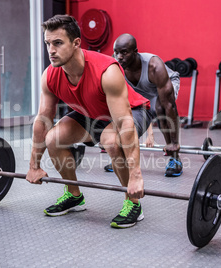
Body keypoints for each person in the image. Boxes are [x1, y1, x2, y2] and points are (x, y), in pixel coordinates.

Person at [26, 15, 153, 229]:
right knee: (53, 138)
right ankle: (74, 195)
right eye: (48, 43)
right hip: (91, 114)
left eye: (58, 43)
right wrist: (34, 166)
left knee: (111, 141)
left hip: (132, 112)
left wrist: (136, 175)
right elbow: (43, 120)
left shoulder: (106, 71)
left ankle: (133, 203)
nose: (51, 50)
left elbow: (124, 123)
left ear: (76, 43)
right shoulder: (50, 75)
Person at [104, 33, 182, 177]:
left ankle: (175, 158)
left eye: (124, 52)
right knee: (124, 116)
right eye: (116, 52)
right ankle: (122, 156)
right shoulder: (116, 65)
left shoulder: (154, 66)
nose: (119, 56)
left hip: (164, 86)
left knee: (160, 108)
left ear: (135, 52)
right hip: (142, 92)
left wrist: (175, 142)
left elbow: (169, 106)